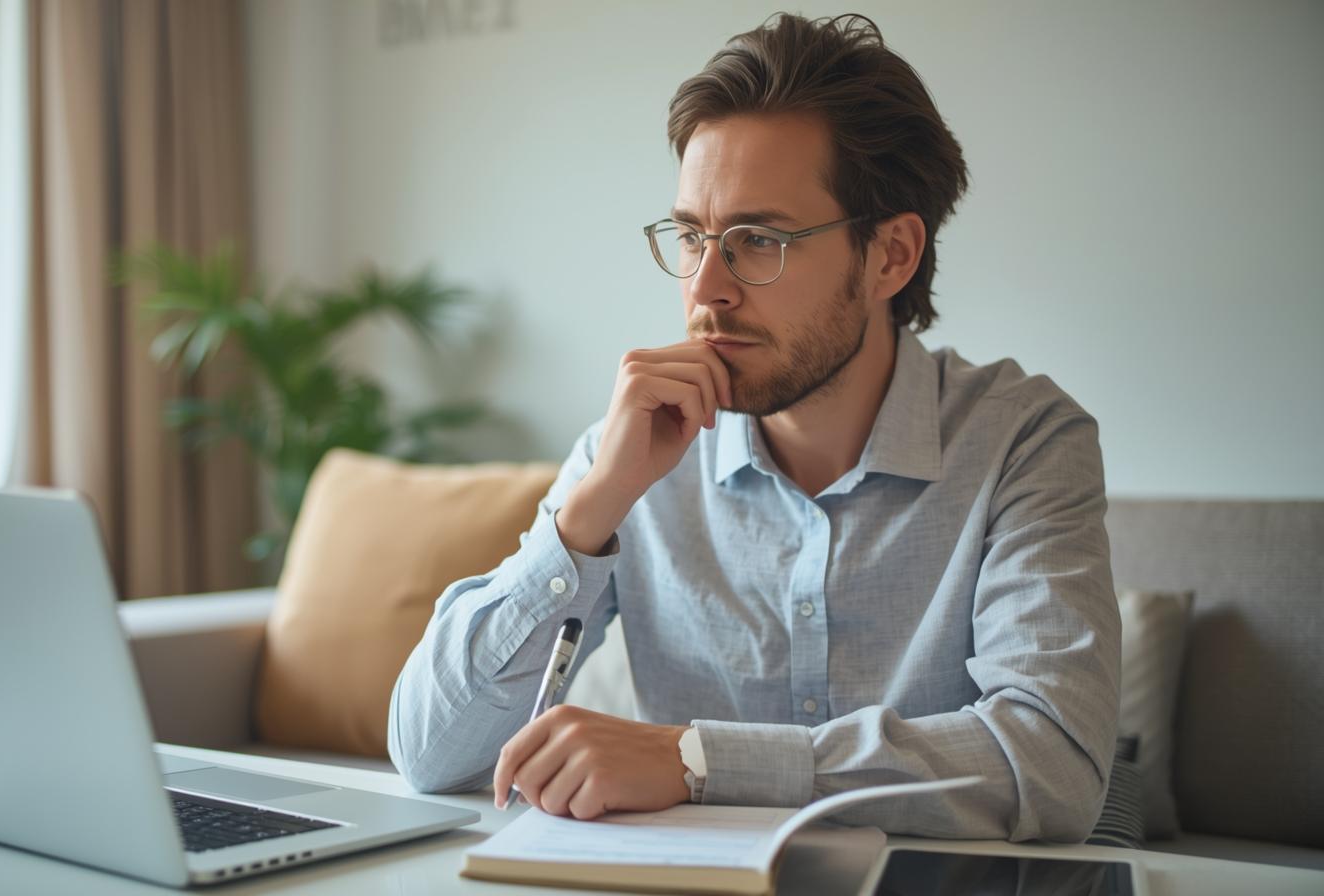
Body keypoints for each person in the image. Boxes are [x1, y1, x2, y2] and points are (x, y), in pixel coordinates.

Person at [388, 12, 1119, 842]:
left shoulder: (1023, 442)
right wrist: (590, 513)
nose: (706, 288)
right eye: (691, 236)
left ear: (890, 256)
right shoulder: (630, 456)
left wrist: (696, 761)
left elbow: (1052, 765)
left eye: (759, 240)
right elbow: (429, 755)